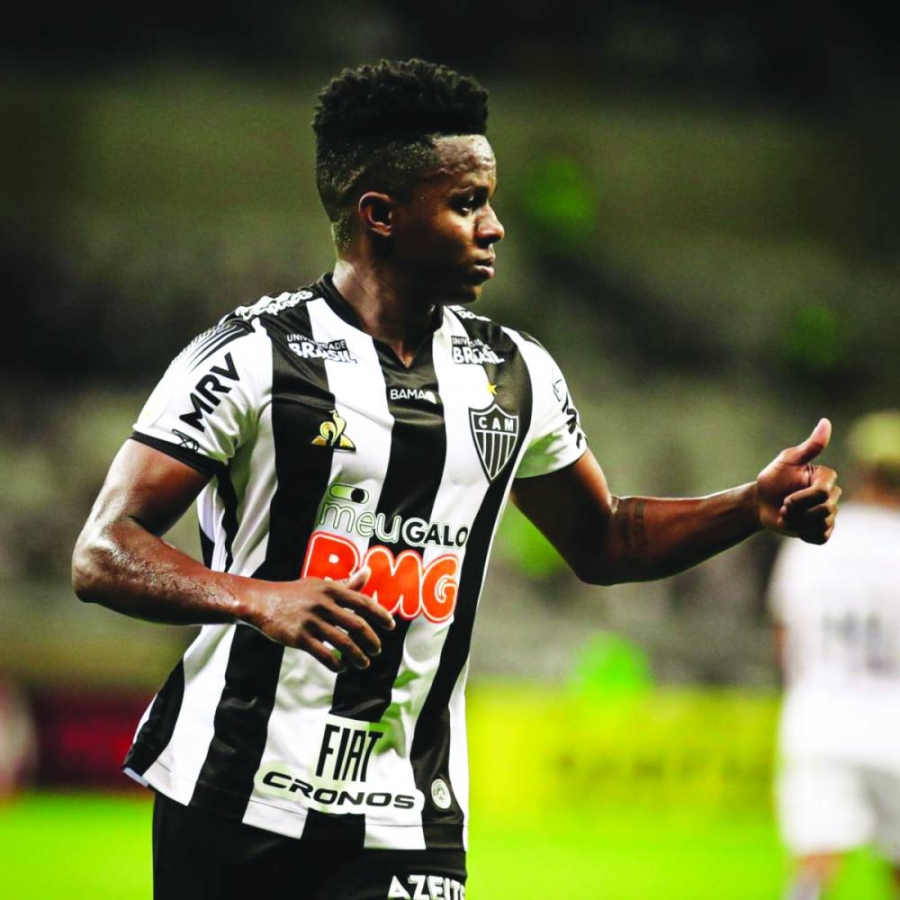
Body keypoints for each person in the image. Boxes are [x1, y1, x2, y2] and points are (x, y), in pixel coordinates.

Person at [72, 58, 840, 900]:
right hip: (231, 797)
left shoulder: (514, 373)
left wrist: (750, 506)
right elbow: (103, 551)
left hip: (409, 816)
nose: (496, 227)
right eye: (467, 202)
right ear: (381, 214)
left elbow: (605, 540)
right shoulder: (252, 357)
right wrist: (259, 599)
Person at [768, 410, 900, 900]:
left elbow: (786, 637)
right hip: (893, 720)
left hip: (819, 718)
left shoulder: (817, 537)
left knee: (815, 863)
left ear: (863, 470)